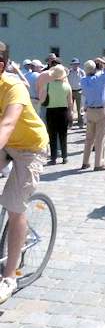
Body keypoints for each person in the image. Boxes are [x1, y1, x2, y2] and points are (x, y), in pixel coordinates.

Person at [0, 41, 49, 303]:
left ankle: (9, 277)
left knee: (14, 205)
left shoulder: (13, 87)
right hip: (6, 144)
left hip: (30, 147)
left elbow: (7, 124)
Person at [80, 57, 105, 171]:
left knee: (89, 138)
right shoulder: (101, 78)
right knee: (100, 138)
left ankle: (85, 162)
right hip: (100, 110)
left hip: (90, 110)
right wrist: (103, 61)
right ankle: (98, 163)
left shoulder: (83, 80)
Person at [39, 64, 73, 165]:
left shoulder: (48, 85)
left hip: (51, 112)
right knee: (63, 135)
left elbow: (42, 100)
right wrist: (70, 113)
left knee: (52, 135)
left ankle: (53, 158)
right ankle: (65, 157)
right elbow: (70, 102)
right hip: (63, 112)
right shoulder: (67, 86)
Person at [67, 58, 85, 127]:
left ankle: (80, 122)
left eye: (76, 64)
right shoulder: (69, 72)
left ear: (78, 64)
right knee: (70, 107)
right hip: (71, 91)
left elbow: (84, 81)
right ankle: (70, 122)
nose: (75, 65)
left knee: (80, 107)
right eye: (73, 64)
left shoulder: (81, 72)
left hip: (79, 91)